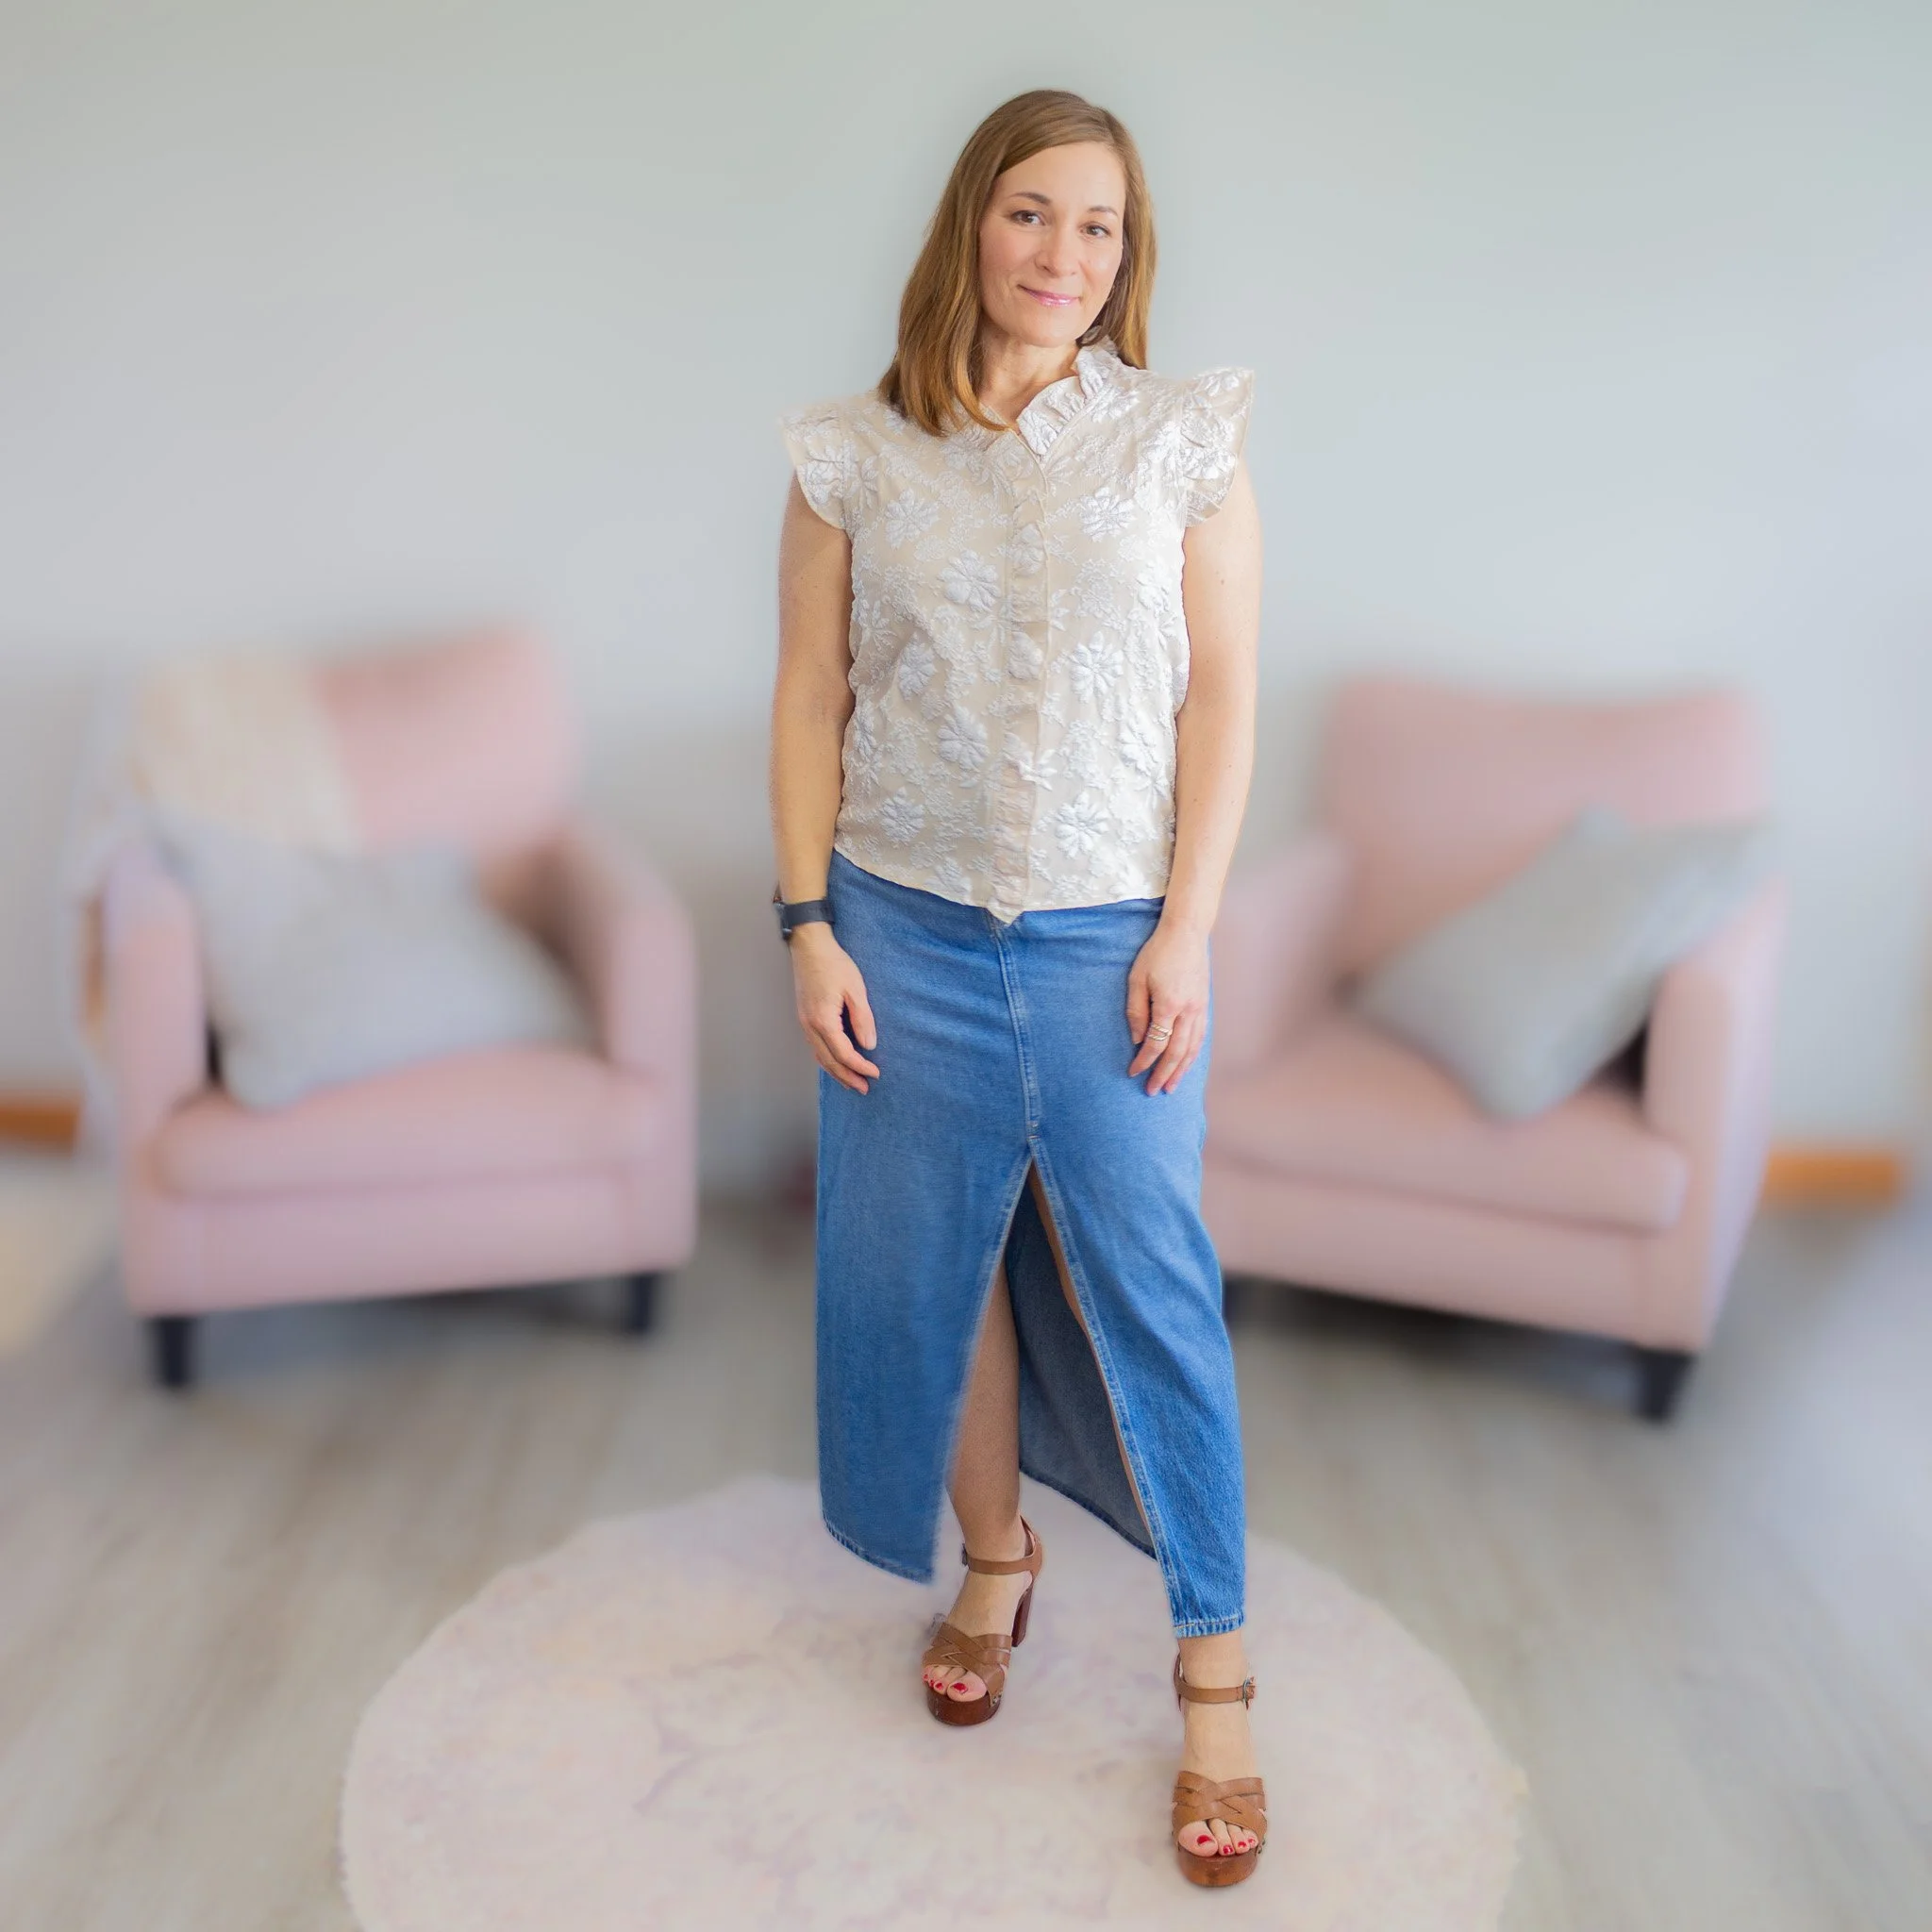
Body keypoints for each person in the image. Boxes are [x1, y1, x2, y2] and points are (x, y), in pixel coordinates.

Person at [770, 87, 1265, 1887]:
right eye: (1036, 214)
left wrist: (1188, 928)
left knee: (1151, 1286)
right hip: (895, 931)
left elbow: (1222, 703)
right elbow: (809, 696)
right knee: (936, 1268)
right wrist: (805, 921)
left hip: (1108, 934)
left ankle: (1215, 1681)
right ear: (973, 220)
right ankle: (996, 1563)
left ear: (1131, 260)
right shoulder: (850, 452)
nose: (1069, 257)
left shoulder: (1182, 444)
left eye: (1105, 229)